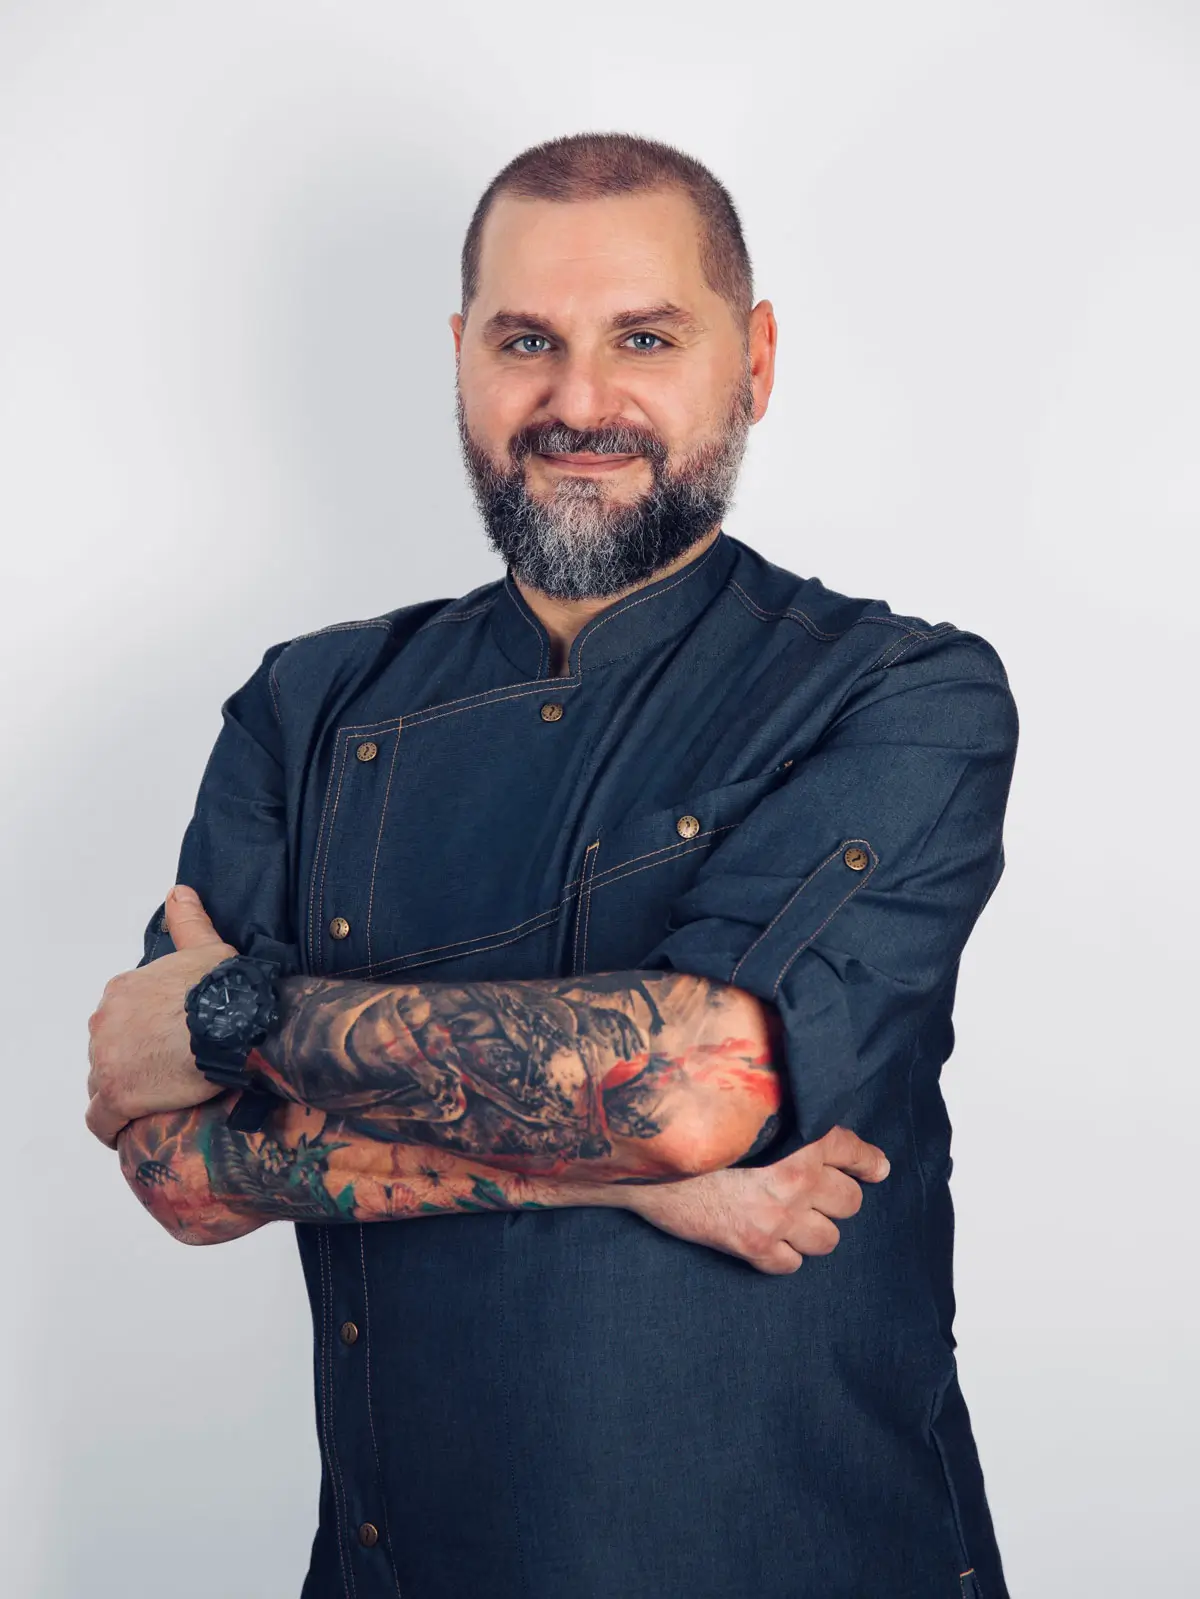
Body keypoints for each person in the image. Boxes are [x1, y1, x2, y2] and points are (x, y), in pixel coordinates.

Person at [85, 132, 1017, 1599]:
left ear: (755, 361)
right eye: (528, 342)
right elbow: (178, 1174)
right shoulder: (307, 704)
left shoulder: (898, 693)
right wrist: (618, 1181)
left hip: (797, 1550)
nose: (580, 403)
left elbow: (686, 1088)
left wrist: (227, 1015)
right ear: (462, 358)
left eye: (644, 338)